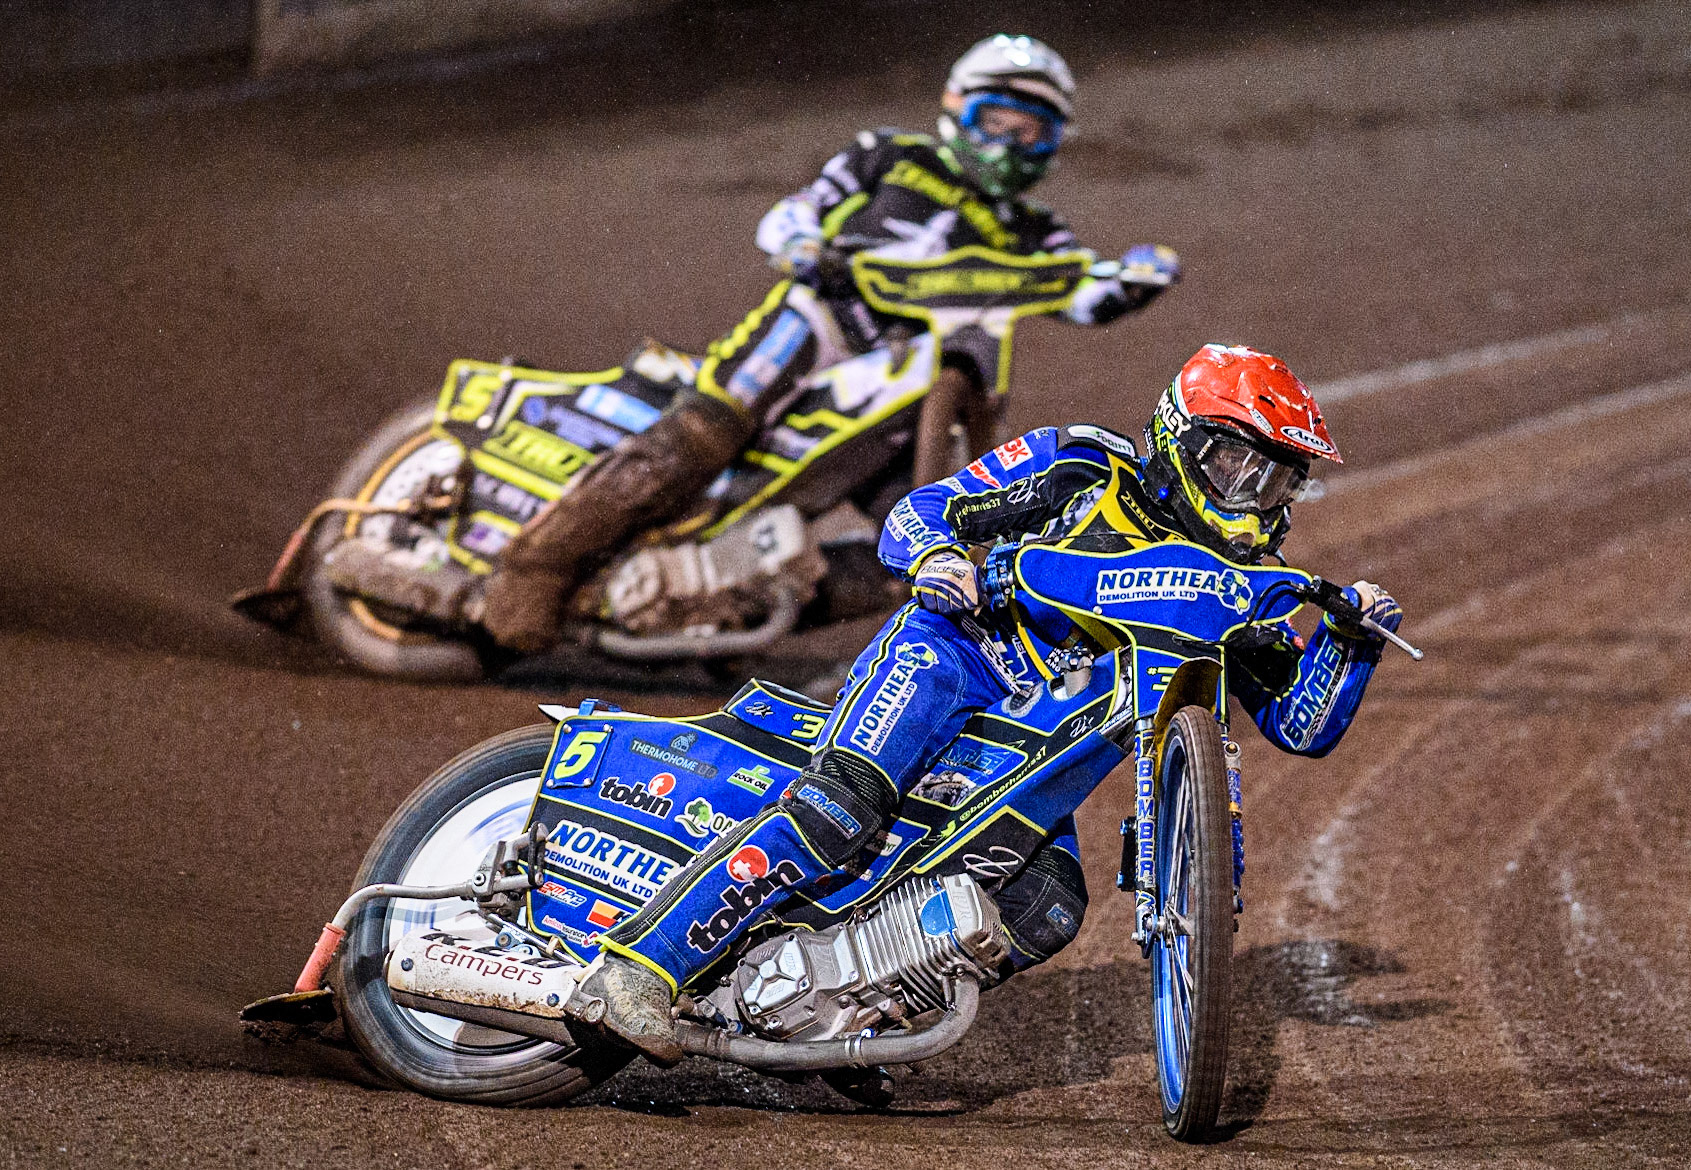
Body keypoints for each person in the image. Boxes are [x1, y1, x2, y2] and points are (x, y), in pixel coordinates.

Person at [570, 343, 1405, 1063]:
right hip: (953, 658)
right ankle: (638, 969)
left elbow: (1300, 723)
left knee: (1047, 906)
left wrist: (1353, 641)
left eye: (1277, 481)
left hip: (1037, 739)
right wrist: (938, 557)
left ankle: (839, 1018)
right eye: (1238, 466)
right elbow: (924, 509)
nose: (1254, 496)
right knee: (839, 808)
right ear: (1180, 438)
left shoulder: (1239, 591)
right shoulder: (1084, 464)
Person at [480, 33, 1181, 653]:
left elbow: (1084, 294)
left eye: (1033, 132)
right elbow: (794, 211)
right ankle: (533, 569)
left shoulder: (1037, 231)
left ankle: (726, 605)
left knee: (920, 541)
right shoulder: (890, 155)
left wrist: (1139, 277)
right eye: (996, 120)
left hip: (908, 386)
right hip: (823, 320)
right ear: (955, 107)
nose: (1010, 144)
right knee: (701, 434)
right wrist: (803, 245)